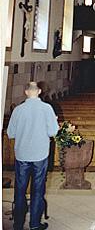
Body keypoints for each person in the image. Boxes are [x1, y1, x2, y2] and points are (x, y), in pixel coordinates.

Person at [7, 81, 59, 230]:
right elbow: (53, 132)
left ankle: (17, 224)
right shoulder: (46, 108)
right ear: (39, 91)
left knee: (20, 189)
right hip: (40, 155)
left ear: (26, 92)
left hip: (22, 155)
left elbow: (10, 134)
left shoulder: (18, 110)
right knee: (37, 190)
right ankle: (35, 224)